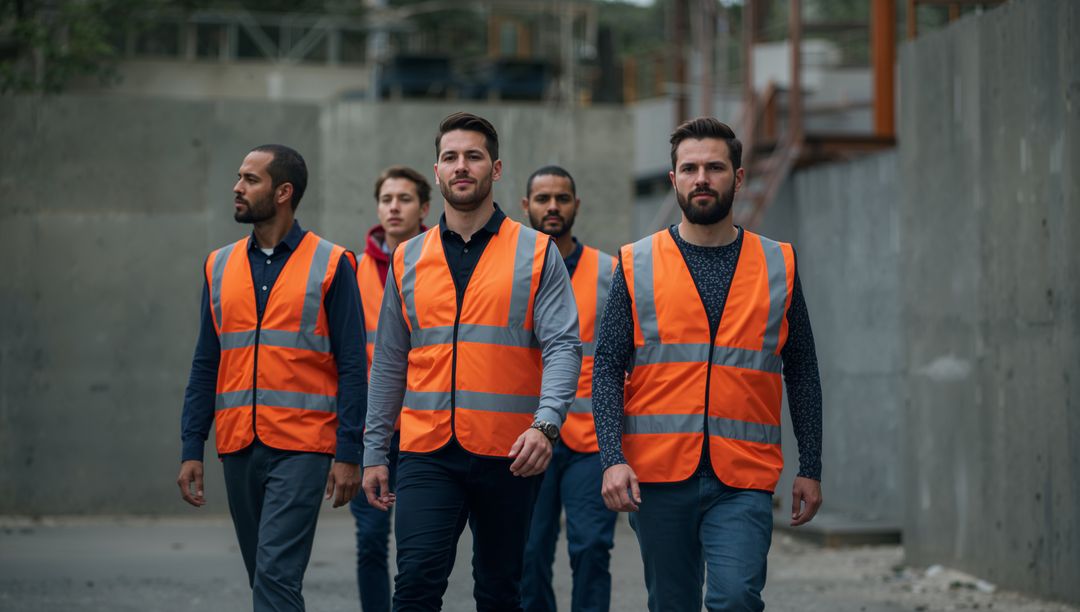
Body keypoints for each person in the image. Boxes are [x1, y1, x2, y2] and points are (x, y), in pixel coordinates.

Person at [592, 117, 823, 612]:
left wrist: (812, 465)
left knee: (737, 597)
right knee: (671, 603)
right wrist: (612, 458)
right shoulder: (636, 263)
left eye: (715, 167)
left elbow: (801, 368)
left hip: (743, 478)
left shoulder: (778, 264)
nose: (702, 178)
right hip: (657, 477)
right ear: (673, 178)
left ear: (737, 178)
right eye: (690, 167)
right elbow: (608, 365)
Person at [361, 112, 582, 611]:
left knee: (501, 591)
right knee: (415, 584)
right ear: (436, 171)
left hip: (511, 452)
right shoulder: (408, 258)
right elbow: (390, 361)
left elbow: (564, 346)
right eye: (450, 158)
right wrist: (375, 449)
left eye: (473, 156)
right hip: (425, 451)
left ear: (495, 168)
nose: (462, 167)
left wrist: (546, 426)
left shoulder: (535, 251)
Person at [177, 144, 365, 612]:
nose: (237, 188)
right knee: (263, 577)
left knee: (276, 575)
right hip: (239, 444)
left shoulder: (332, 263)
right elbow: (206, 363)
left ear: (283, 192)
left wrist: (349, 452)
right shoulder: (218, 265)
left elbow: (353, 366)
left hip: (303, 446)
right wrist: (191, 447)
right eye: (239, 177)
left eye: (250, 179)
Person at [518, 166, 617, 612]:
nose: (552, 207)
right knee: (529, 552)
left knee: (592, 548)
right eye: (543, 199)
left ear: (577, 205)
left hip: (590, 438)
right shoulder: (514, 269)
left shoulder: (609, 272)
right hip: (528, 435)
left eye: (562, 198)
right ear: (527, 207)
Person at [350, 166, 430, 611]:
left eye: (404, 199)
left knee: (417, 549)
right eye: (386, 199)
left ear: (424, 208)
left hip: (426, 428)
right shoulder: (352, 273)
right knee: (370, 540)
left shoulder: (439, 264)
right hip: (372, 431)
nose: (393, 207)